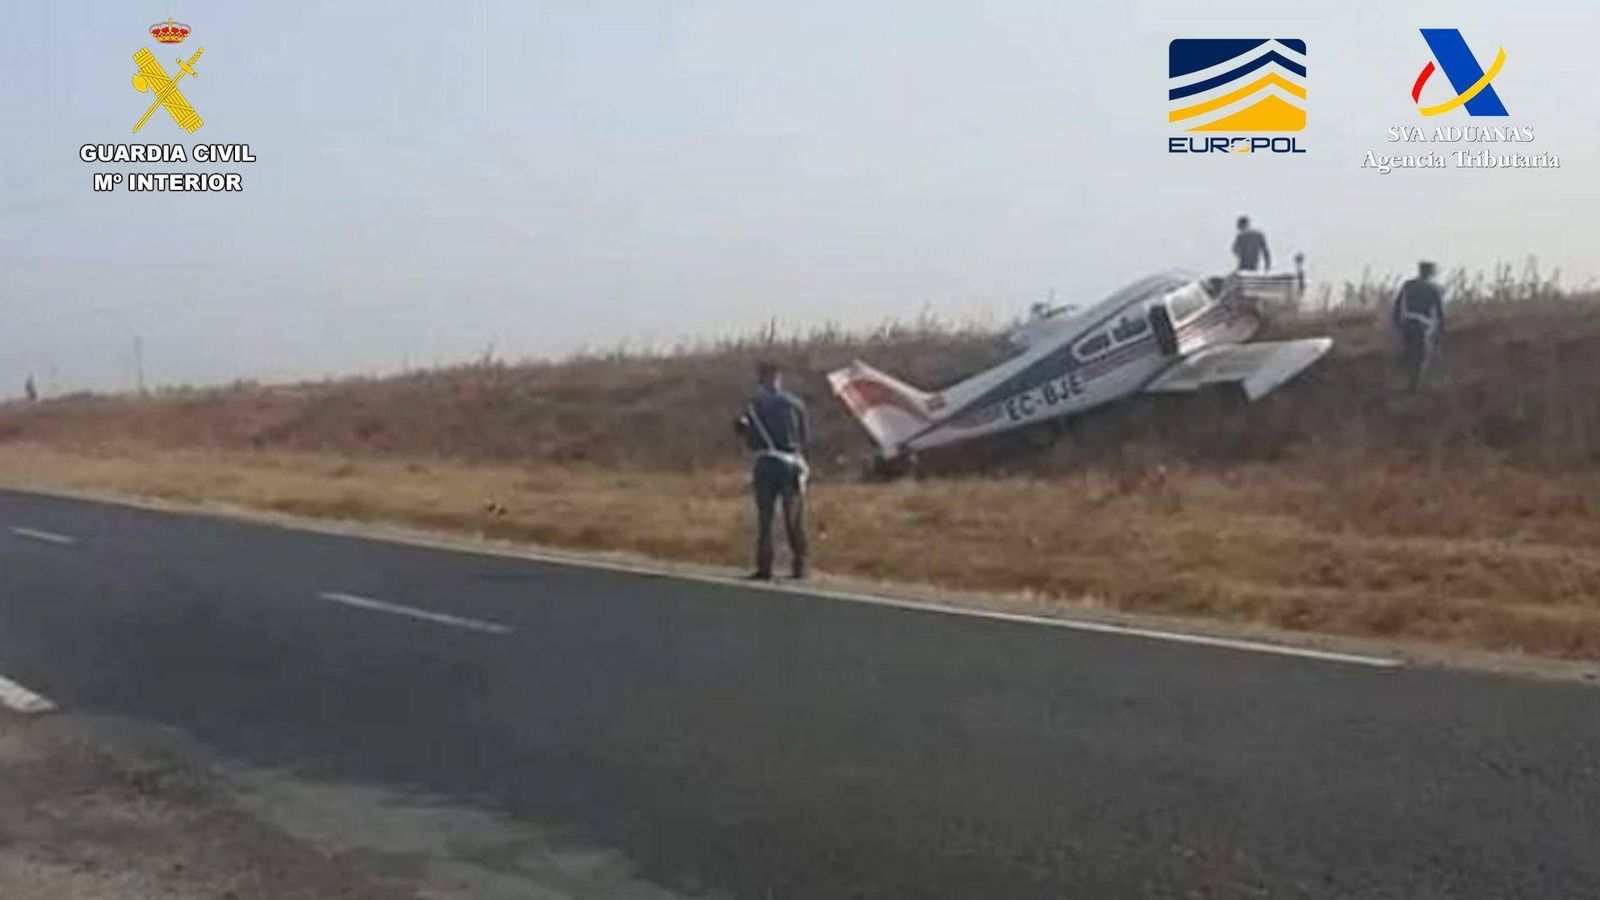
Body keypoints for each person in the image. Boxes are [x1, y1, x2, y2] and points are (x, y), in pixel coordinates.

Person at [735, 361, 810, 580]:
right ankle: (800, 565)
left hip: (766, 463)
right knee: (793, 516)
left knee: (766, 518)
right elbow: (805, 438)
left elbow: (747, 436)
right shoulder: (796, 404)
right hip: (791, 463)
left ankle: (765, 567)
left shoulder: (753, 406)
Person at [1392, 260, 1446, 392]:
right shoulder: (1434, 289)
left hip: (1407, 322)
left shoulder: (1408, 285)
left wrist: (1397, 323)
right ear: (1431, 273)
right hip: (1422, 324)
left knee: (1408, 352)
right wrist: (1441, 331)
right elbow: (1439, 313)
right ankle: (1416, 385)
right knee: (1422, 354)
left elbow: (1397, 306)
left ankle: (1408, 381)